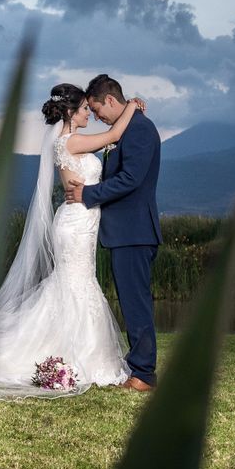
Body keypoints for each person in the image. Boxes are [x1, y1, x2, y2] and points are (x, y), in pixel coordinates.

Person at [0, 82, 144, 399]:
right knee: (75, 285)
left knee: (75, 284)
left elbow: (108, 143)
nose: (90, 114)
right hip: (75, 225)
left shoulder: (70, 142)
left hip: (80, 221)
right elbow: (113, 137)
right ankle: (76, 358)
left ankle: (72, 354)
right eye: (86, 109)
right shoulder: (69, 142)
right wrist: (132, 106)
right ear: (71, 112)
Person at [65, 74, 162, 392]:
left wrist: (87, 195)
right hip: (125, 231)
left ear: (109, 100)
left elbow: (131, 179)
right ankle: (140, 368)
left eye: (95, 109)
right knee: (132, 300)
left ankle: (144, 375)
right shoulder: (130, 126)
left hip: (134, 230)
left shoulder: (140, 130)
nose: (95, 117)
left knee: (136, 303)